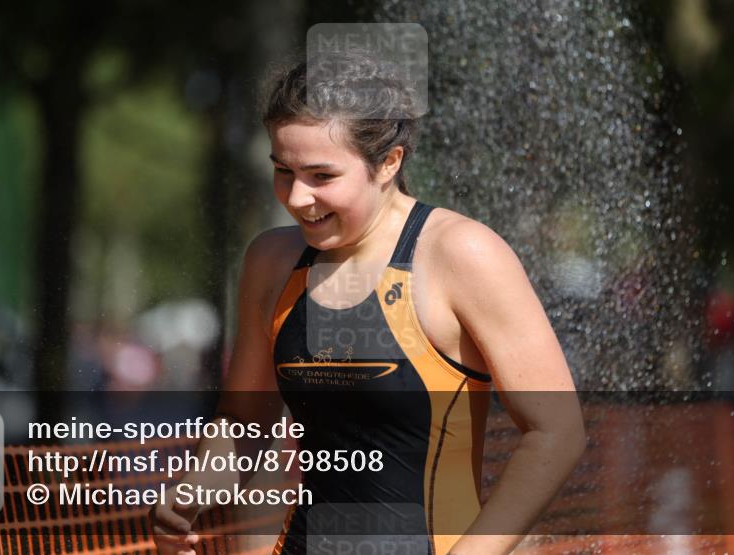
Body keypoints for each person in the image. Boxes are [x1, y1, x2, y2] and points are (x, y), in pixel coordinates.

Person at [152, 54, 585, 555]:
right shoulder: (272, 261)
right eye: (283, 171)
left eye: (321, 175)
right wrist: (196, 487)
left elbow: (557, 432)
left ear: (389, 162)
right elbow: (245, 422)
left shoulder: (461, 255)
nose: (296, 198)